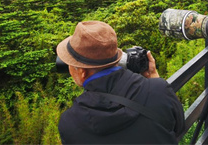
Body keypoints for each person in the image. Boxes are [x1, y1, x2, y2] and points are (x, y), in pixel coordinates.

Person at [56, 21, 185, 144]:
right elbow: (179, 127)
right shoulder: (159, 90)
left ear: (83, 72)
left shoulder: (70, 123)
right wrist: (154, 78)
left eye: (72, 64)